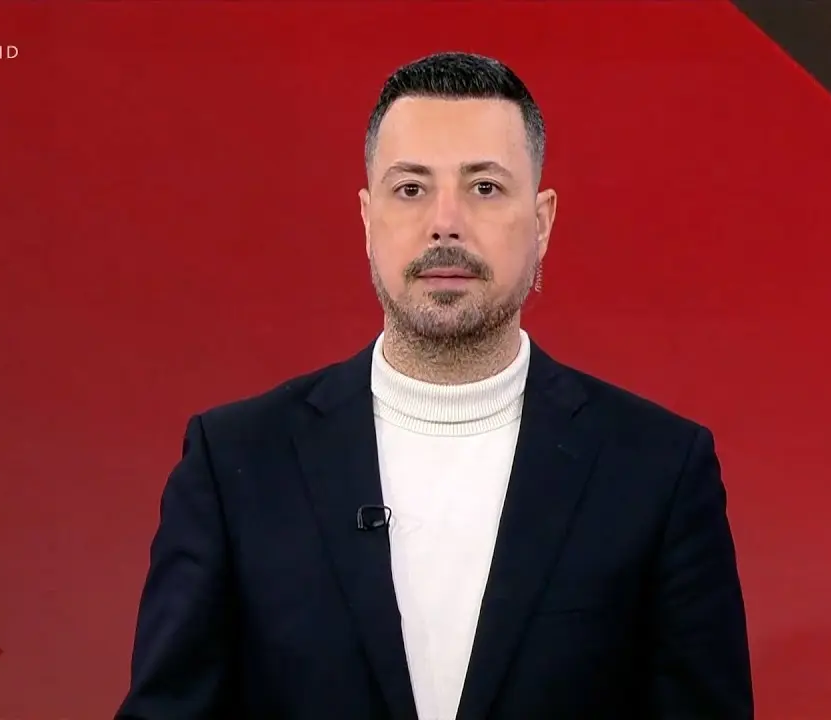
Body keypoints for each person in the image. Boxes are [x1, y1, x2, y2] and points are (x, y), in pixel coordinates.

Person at [117, 51, 752, 720]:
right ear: (368, 220)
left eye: (485, 187)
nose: (445, 223)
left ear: (542, 223)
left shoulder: (657, 471)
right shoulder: (235, 463)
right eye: (411, 189)